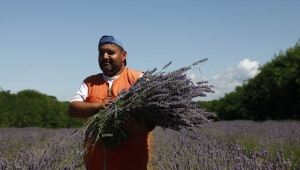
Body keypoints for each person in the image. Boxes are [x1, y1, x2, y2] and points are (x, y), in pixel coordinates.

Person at [69, 35, 155, 170]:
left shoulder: (140, 80)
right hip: (95, 164)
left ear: (124, 55)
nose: (104, 56)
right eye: (101, 53)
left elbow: (153, 117)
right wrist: (100, 106)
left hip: (131, 164)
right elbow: (73, 109)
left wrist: (143, 128)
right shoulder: (89, 82)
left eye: (110, 52)